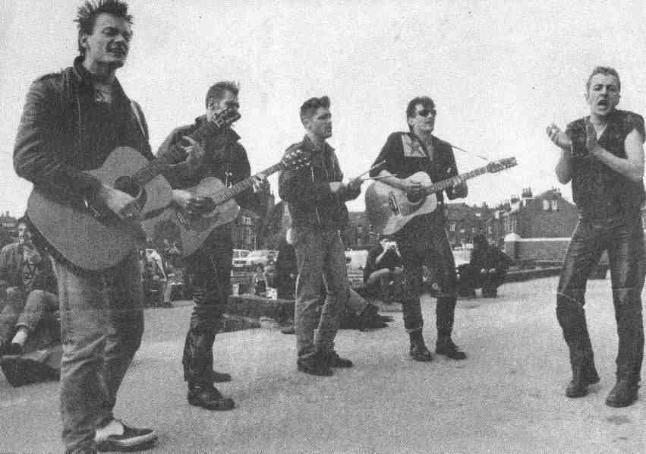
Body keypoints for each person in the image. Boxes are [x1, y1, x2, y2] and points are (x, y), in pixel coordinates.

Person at [12, 1, 198, 451]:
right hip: (69, 228)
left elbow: (137, 173)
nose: (119, 41)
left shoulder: (129, 108)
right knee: (87, 339)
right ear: (85, 39)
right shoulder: (52, 91)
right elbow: (27, 157)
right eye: (109, 32)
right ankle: (78, 444)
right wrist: (97, 191)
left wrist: (172, 178)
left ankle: (100, 420)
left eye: (126, 37)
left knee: (130, 331)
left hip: (117, 236)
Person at [156, 81, 268, 410]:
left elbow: (245, 196)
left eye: (236, 106)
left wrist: (259, 188)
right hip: (188, 229)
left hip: (219, 230)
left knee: (218, 300)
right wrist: (181, 198)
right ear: (210, 105)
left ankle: (198, 366)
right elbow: (155, 178)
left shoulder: (236, 149)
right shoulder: (184, 136)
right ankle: (198, 385)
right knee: (208, 301)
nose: (234, 111)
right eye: (228, 104)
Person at [546, 66, 645, 407]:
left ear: (619, 95)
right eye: (598, 88)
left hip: (625, 224)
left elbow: (637, 170)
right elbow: (561, 177)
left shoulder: (631, 122)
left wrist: (595, 150)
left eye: (611, 89)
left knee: (626, 300)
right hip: (589, 221)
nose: (604, 94)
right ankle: (583, 369)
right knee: (566, 297)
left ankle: (627, 381)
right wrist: (568, 147)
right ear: (586, 94)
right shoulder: (577, 128)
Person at [370, 96, 468, 362]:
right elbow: (376, 171)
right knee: (410, 280)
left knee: (448, 277)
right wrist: (403, 186)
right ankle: (416, 342)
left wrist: (460, 186)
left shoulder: (444, 148)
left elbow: (453, 189)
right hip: (407, 222)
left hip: (434, 221)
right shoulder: (398, 140)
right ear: (411, 118)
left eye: (433, 112)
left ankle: (444, 340)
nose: (430, 117)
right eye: (424, 113)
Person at [278, 96, 362, 376]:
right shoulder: (296, 153)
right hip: (308, 232)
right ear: (306, 122)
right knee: (309, 294)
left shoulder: (330, 153)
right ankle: (306, 355)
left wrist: (351, 189)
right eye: (323, 118)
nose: (329, 122)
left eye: (329, 117)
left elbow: (335, 193)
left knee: (339, 291)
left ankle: (324, 348)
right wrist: (331, 187)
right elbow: (288, 192)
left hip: (330, 230)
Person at [0, 219, 59, 358]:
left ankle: (19, 339)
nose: (23, 234)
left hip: (49, 297)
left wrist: (40, 264)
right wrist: (5, 289)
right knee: (14, 297)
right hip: (20, 298)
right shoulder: (8, 251)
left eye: (28, 231)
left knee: (36, 294)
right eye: (20, 230)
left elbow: (56, 284)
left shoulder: (47, 254)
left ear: (37, 235)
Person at [363, 235, 404, 300]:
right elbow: (373, 265)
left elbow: (399, 263)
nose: (387, 243)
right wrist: (384, 252)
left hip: (386, 273)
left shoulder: (391, 250)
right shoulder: (373, 250)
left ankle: (397, 295)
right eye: (386, 241)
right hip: (371, 275)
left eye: (389, 241)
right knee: (385, 271)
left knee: (398, 271)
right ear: (380, 242)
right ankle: (385, 296)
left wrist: (396, 250)